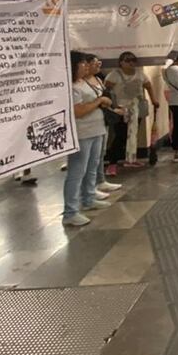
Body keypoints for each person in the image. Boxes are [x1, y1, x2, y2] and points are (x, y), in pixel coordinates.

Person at [63, 51, 115, 227]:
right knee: (77, 171)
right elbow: (78, 112)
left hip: (96, 129)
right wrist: (99, 101)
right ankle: (70, 211)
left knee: (93, 166)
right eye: (82, 64)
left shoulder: (85, 82)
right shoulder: (71, 87)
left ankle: (89, 198)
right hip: (82, 132)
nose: (86, 67)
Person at [104, 51, 160, 173]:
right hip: (120, 110)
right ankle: (112, 163)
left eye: (133, 60)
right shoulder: (114, 75)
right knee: (121, 136)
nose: (130, 63)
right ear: (121, 62)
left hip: (137, 108)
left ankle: (131, 158)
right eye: (127, 60)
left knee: (133, 134)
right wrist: (112, 106)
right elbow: (106, 91)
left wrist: (154, 100)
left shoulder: (140, 74)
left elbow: (148, 86)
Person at [85, 56, 123, 194]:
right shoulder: (80, 84)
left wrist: (113, 108)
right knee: (87, 160)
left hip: (101, 121)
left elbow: (106, 98)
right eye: (95, 63)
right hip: (86, 126)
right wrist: (101, 101)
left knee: (100, 154)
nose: (98, 66)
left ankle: (100, 181)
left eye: (99, 63)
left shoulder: (98, 79)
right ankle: (89, 190)